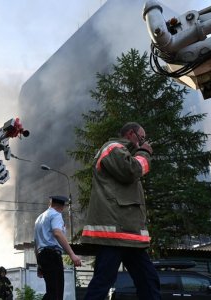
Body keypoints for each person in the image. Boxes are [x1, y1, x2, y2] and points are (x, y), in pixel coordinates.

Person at [81, 122, 161, 300]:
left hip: (129, 234)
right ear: (131, 134)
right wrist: (145, 152)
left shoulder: (123, 153)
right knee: (102, 283)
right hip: (114, 234)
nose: (144, 142)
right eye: (142, 138)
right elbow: (131, 171)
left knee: (149, 280)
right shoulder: (112, 148)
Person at [34, 195, 82, 300]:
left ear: (50, 204)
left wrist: (39, 264)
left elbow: (36, 245)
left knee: (52, 291)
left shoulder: (39, 218)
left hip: (43, 256)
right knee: (55, 294)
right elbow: (57, 233)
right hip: (52, 256)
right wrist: (72, 255)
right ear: (62, 206)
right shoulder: (56, 215)